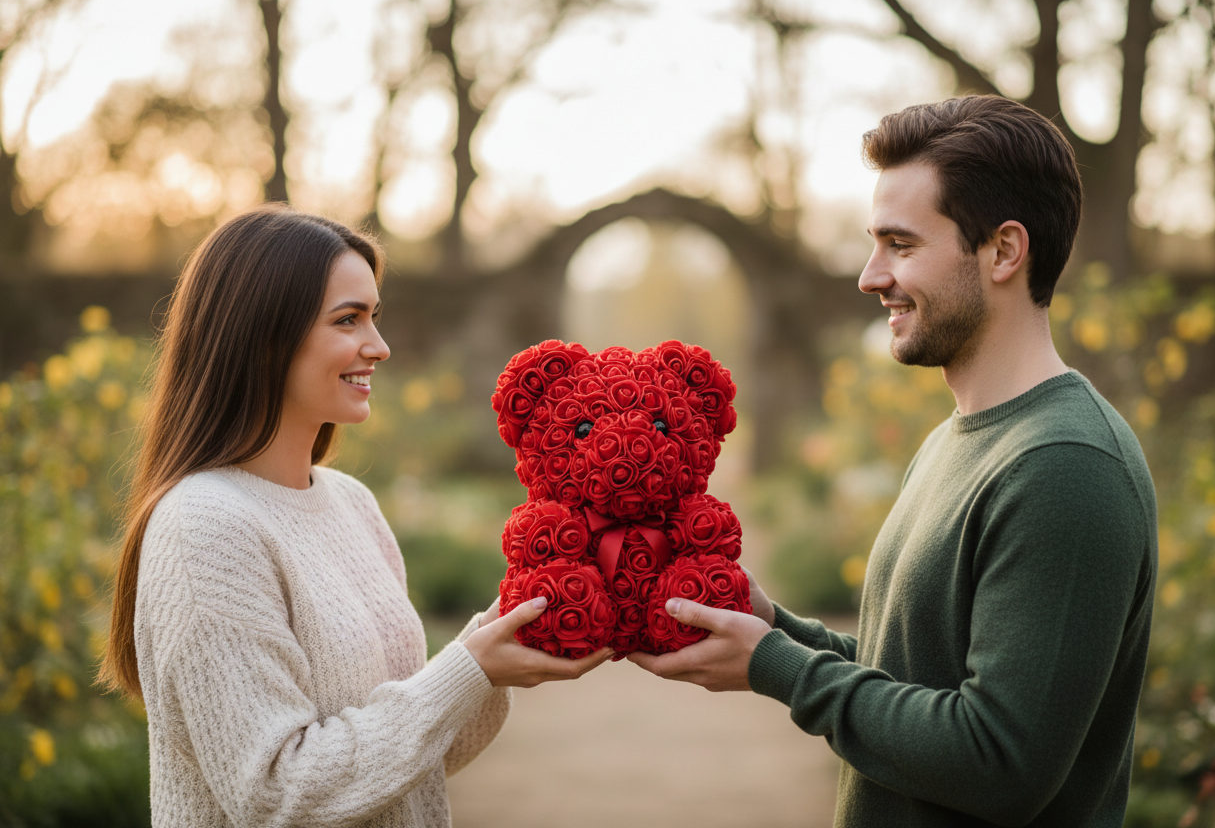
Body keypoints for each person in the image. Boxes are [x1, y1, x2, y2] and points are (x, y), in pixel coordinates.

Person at [630, 95, 1158, 827]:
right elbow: (913, 675)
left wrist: (777, 668)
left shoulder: (1066, 466)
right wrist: (773, 627)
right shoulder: (956, 439)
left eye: (900, 245)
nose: (869, 276)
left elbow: (999, 762)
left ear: (1004, 252)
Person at [98, 206, 612, 828]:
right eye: (348, 319)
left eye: (375, 316)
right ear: (263, 335)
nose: (380, 347)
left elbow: (409, 763)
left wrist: (504, 636)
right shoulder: (205, 527)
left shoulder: (350, 502)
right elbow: (277, 793)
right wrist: (469, 667)